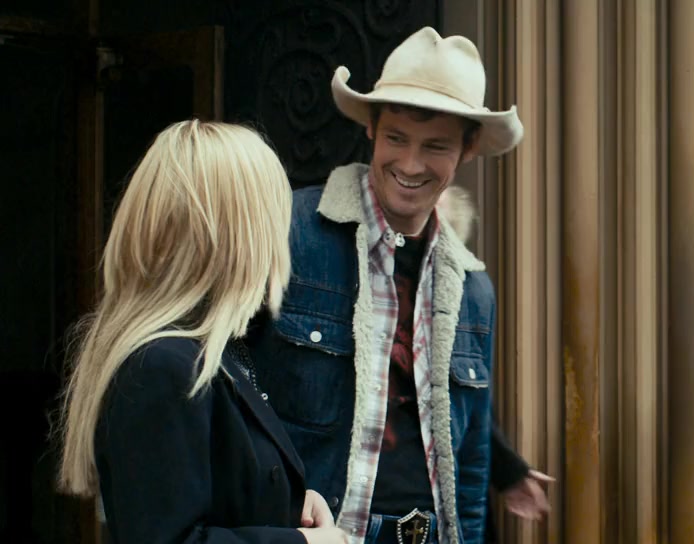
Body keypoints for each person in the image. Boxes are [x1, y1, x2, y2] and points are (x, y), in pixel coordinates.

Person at [245, 27, 545, 544]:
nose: (410, 164)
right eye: (396, 138)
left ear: (468, 149)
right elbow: (222, 394)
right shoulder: (286, 233)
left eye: (435, 146)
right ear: (370, 129)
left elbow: (471, 463)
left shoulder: (475, 290)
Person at [58, 120, 347, 543]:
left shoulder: (208, 347)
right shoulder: (161, 365)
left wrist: (291, 503)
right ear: (238, 233)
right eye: (272, 217)